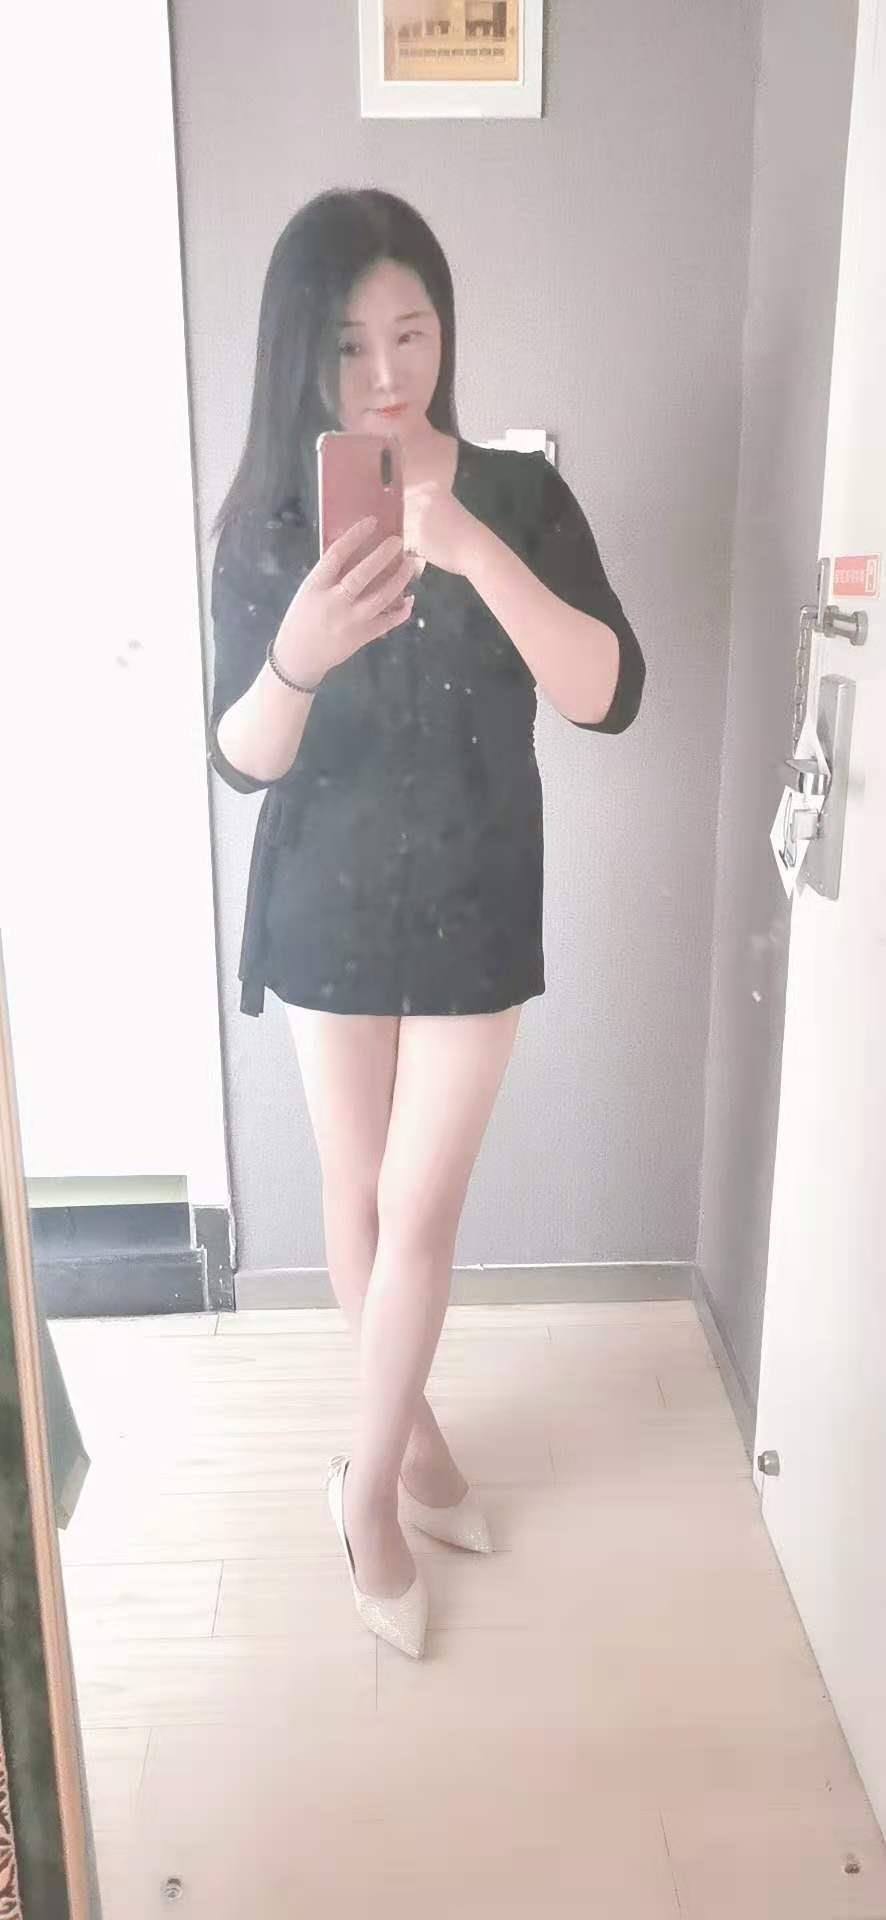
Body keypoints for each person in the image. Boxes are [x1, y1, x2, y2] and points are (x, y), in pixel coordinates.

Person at [209, 188, 645, 1660]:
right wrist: (296, 654)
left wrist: (467, 547)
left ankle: (364, 1492)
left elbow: (606, 693)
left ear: (445, 330)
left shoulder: (516, 496)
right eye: (348, 344)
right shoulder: (272, 519)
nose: (387, 372)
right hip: (325, 886)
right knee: (358, 1200)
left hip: (473, 892)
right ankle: (414, 1460)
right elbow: (239, 756)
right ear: (300, 352)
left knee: (422, 1209)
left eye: (411, 331)